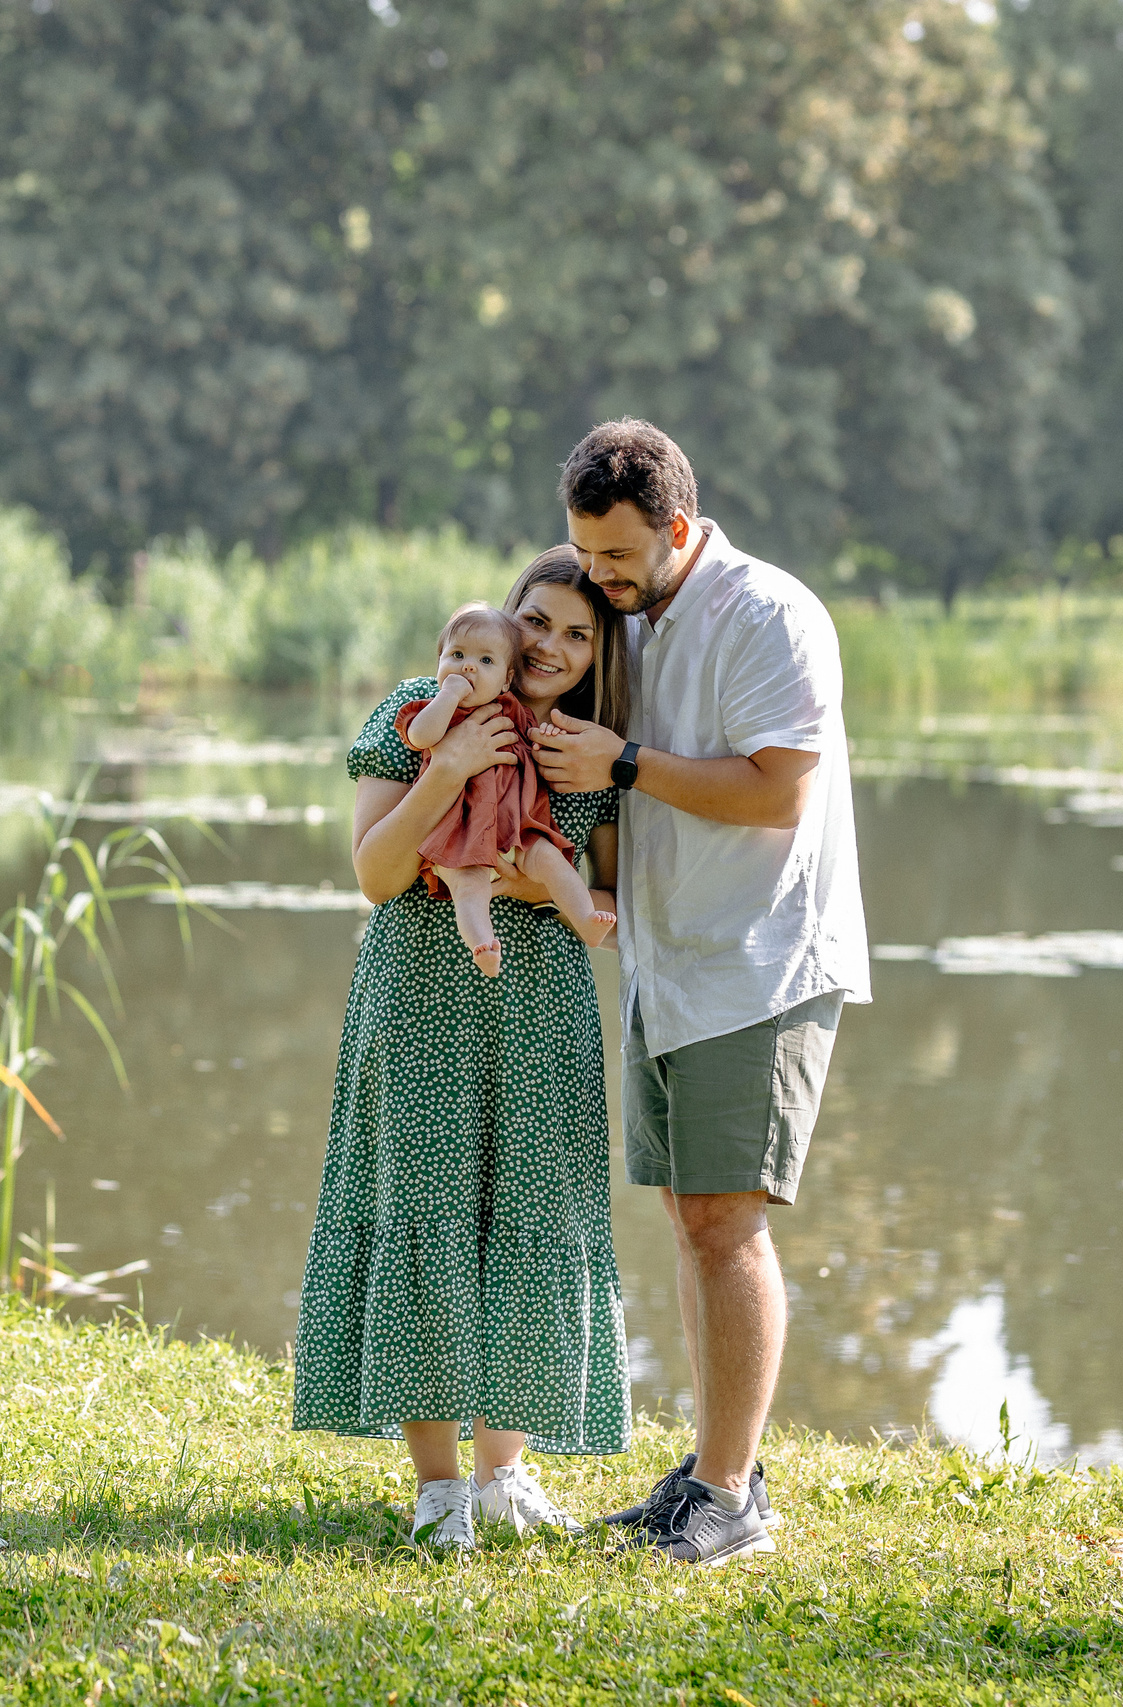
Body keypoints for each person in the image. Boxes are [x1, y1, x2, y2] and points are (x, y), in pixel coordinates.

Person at [528, 418, 870, 1567]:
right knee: (691, 1220)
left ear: (677, 528)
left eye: (618, 556)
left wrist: (621, 764)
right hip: (669, 966)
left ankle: (728, 1499)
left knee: (727, 1224)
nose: (599, 577)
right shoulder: (633, 617)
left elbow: (778, 794)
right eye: (584, 552)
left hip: (758, 962)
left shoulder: (768, 613)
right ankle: (713, 1474)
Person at [291, 547, 635, 1552]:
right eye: (537, 621)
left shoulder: (592, 750)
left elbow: (609, 901)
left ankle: (503, 1477)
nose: (550, 647)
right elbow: (374, 873)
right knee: (423, 1209)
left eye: (579, 634)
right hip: (421, 997)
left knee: (530, 1215)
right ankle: (437, 1488)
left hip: (541, 1007)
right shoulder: (418, 705)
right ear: (503, 614)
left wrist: (528, 881)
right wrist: (445, 770)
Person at [396, 602, 615, 976]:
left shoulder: (510, 708)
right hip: (459, 835)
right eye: (457, 655)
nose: (467, 667)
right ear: (438, 663)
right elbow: (420, 736)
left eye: (485, 661)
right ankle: (482, 943)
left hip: (517, 828)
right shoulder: (432, 709)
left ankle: (586, 918)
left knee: (552, 863)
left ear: (505, 680)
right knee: (469, 886)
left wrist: (546, 736)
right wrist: (447, 697)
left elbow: (532, 740)